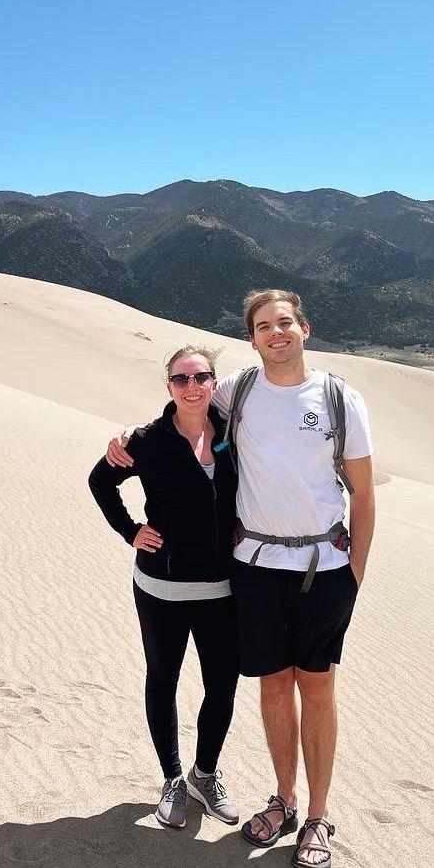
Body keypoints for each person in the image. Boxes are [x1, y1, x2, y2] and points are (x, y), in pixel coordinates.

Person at [106, 290, 377, 868]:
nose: (275, 333)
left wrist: (355, 574)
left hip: (323, 569)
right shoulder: (240, 391)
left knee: (319, 688)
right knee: (274, 688)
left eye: (285, 323)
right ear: (251, 339)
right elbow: (185, 406)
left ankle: (317, 818)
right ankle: (284, 801)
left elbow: (364, 491)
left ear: (304, 328)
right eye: (263, 326)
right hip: (253, 570)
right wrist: (130, 437)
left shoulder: (339, 398)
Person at [87, 345, 243, 831]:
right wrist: (130, 530)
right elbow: (100, 481)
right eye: (182, 379)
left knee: (222, 684)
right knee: (164, 679)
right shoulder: (147, 440)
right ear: (169, 386)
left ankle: (205, 773)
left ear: (214, 381)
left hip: (223, 587)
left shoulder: (235, 432)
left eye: (202, 377)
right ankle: (173, 778)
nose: (193, 387)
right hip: (163, 588)